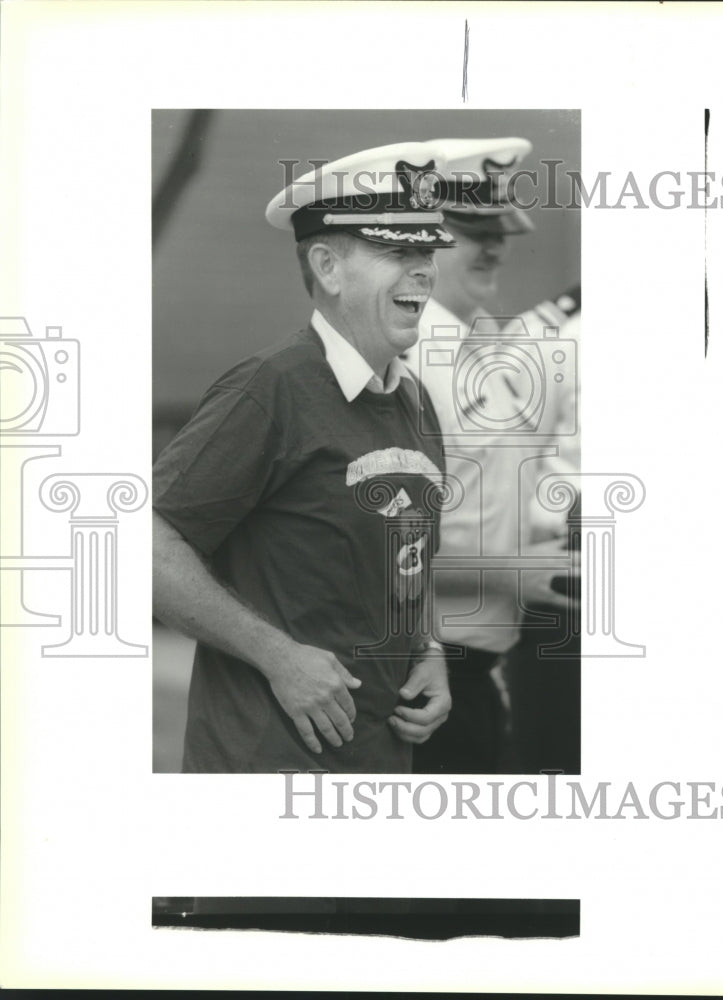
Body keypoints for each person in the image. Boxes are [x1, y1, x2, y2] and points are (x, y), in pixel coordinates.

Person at [152, 141, 454, 774]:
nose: (424, 271)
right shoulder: (270, 387)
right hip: (265, 771)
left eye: (426, 252)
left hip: (380, 765)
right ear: (328, 266)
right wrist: (277, 655)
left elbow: (402, 555)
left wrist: (427, 645)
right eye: (398, 252)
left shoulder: (416, 400)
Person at [401, 137, 580, 774]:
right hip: (420, 674)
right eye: (474, 230)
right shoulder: (405, 359)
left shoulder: (480, 345)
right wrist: (509, 572)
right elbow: (373, 540)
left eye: (501, 229)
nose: (497, 245)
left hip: (477, 671)